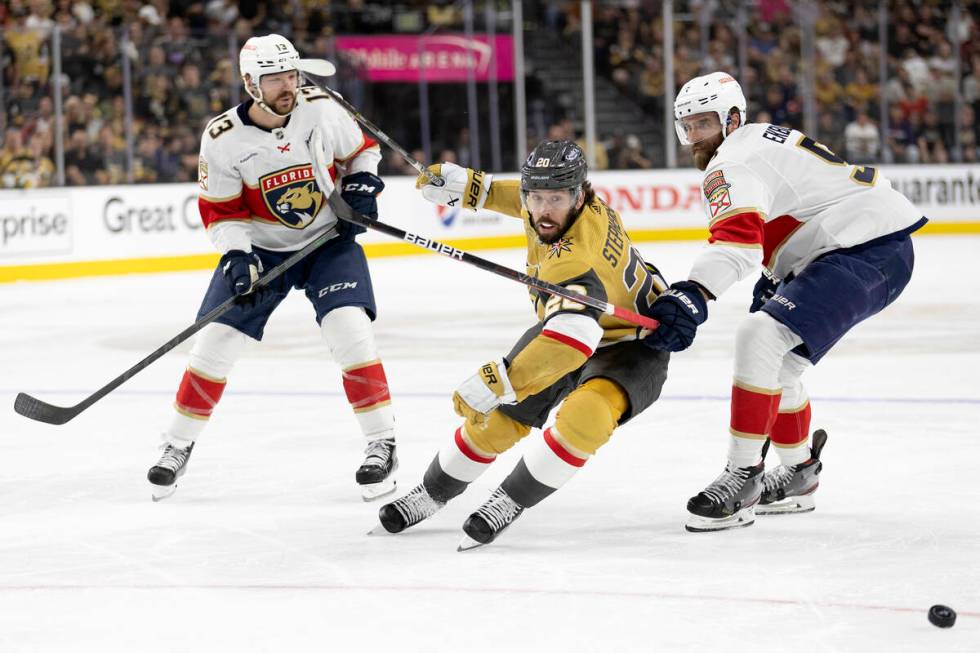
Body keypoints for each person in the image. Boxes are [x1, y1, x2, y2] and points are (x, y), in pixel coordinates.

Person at [643, 72, 926, 532]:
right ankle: (798, 473)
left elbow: (737, 243)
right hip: (870, 246)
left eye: (704, 123)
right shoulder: (757, 141)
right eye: (687, 125)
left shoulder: (730, 161)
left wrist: (694, 291)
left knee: (759, 335)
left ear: (732, 119)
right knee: (780, 360)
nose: (694, 136)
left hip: (860, 246)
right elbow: (795, 209)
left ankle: (742, 475)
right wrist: (778, 276)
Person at [376, 140, 671, 550]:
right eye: (537, 197)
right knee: (498, 419)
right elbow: (523, 199)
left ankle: (509, 499)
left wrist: (501, 379)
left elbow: (571, 345)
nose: (543, 209)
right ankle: (432, 492)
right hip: (573, 322)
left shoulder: (574, 257)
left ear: (579, 195)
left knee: (585, 416)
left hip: (631, 345)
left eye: (555, 198)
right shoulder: (559, 206)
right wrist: (469, 187)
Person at [146, 34, 398, 502]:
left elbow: (362, 150)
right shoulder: (221, 138)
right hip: (262, 251)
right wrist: (238, 255)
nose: (288, 85)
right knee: (214, 342)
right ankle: (175, 446)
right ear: (249, 82)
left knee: (350, 329)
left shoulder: (320, 107)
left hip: (327, 241)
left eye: (291, 74)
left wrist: (362, 184)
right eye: (275, 77)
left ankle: (382, 443)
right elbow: (221, 213)